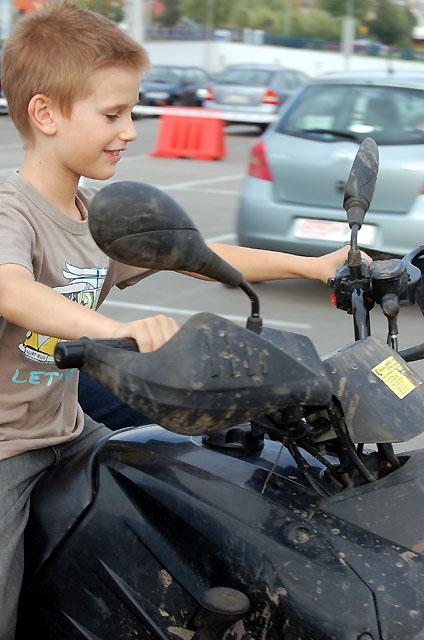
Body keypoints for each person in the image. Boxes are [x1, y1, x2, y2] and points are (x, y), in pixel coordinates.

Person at [0, 2, 355, 638]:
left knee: (183, 483)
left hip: (64, 426)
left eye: (131, 111)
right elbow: (10, 286)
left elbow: (197, 253)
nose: (131, 129)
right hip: (6, 449)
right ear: (46, 113)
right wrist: (116, 330)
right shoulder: (12, 208)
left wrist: (314, 266)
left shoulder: (95, 216)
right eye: (112, 114)